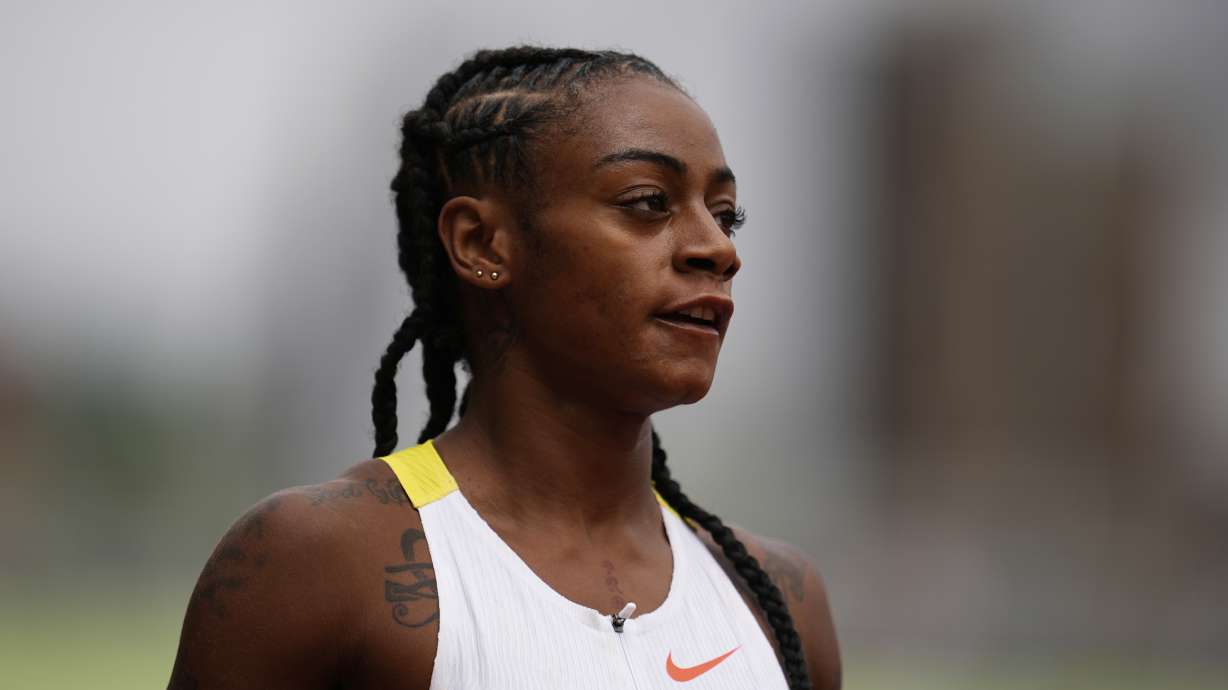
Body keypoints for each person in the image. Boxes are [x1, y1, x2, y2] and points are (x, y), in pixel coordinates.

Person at [167, 46, 841, 690]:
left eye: (727, 215)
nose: (716, 249)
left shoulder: (776, 597)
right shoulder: (322, 562)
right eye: (647, 202)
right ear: (481, 242)